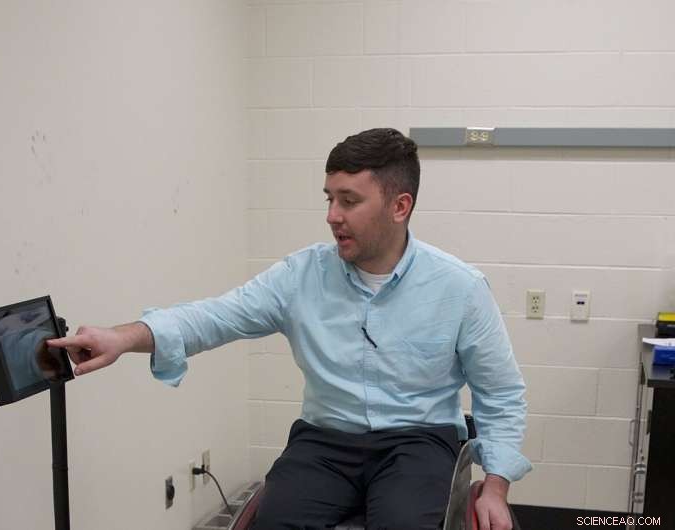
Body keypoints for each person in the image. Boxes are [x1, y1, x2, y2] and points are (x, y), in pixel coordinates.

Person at [48, 128, 531, 530]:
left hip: (417, 441)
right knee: (275, 522)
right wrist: (122, 337)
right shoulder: (301, 276)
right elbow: (215, 316)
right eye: (329, 198)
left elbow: (501, 393)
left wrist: (495, 486)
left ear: (399, 206)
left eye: (349, 200)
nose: (332, 216)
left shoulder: (459, 288)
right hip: (326, 442)